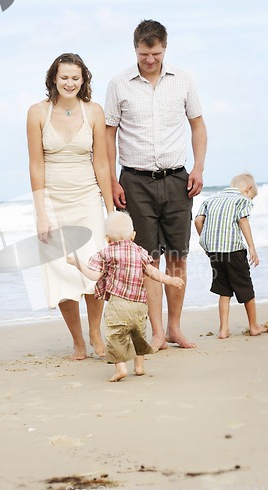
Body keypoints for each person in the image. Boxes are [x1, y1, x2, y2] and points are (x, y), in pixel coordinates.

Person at [105, 19, 207, 351]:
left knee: (178, 256)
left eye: (157, 53)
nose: (150, 59)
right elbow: (109, 133)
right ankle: (158, 332)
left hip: (177, 179)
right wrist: (111, 179)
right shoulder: (119, 83)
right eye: (144, 53)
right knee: (147, 261)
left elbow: (198, 126)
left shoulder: (184, 80)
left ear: (165, 48)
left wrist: (199, 168)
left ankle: (175, 328)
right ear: (135, 49)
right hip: (134, 181)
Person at [27, 53, 114, 360]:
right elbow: (36, 166)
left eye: (75, 78)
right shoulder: (37, 112)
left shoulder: (93, 111)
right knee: (60, 271)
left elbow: (101, 164)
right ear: (53, 78)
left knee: (94, 268)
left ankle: (95, 332)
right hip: (52, 201)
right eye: (64, 77)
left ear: (83, 79)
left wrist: (110, 211)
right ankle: (78, 342)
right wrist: (41, 214)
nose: (69, 83)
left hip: (87, 197)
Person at [67, 212, 184, 382]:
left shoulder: (105, 253)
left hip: (118, 305)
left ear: (107, 238)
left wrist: (77, 263)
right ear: (134, 235)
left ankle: (121, 368)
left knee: (116, 336)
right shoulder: (140, 251)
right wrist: (170, 280)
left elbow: (94, 276)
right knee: (138, 335)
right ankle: (139, 366)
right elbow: (152, 272)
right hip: (140, 306)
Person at [195, 173, 267, 339]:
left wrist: (205, 241)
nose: (250, 199)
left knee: (224, 289)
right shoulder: (241, 200)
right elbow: (243, 221)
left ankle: (223, 330)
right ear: (247, 189)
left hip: (215, 251)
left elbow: (198, 221)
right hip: (233, 250)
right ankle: (254, 326)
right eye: (252, 196)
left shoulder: (210, 200)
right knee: (245, 287)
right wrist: (251, 247)